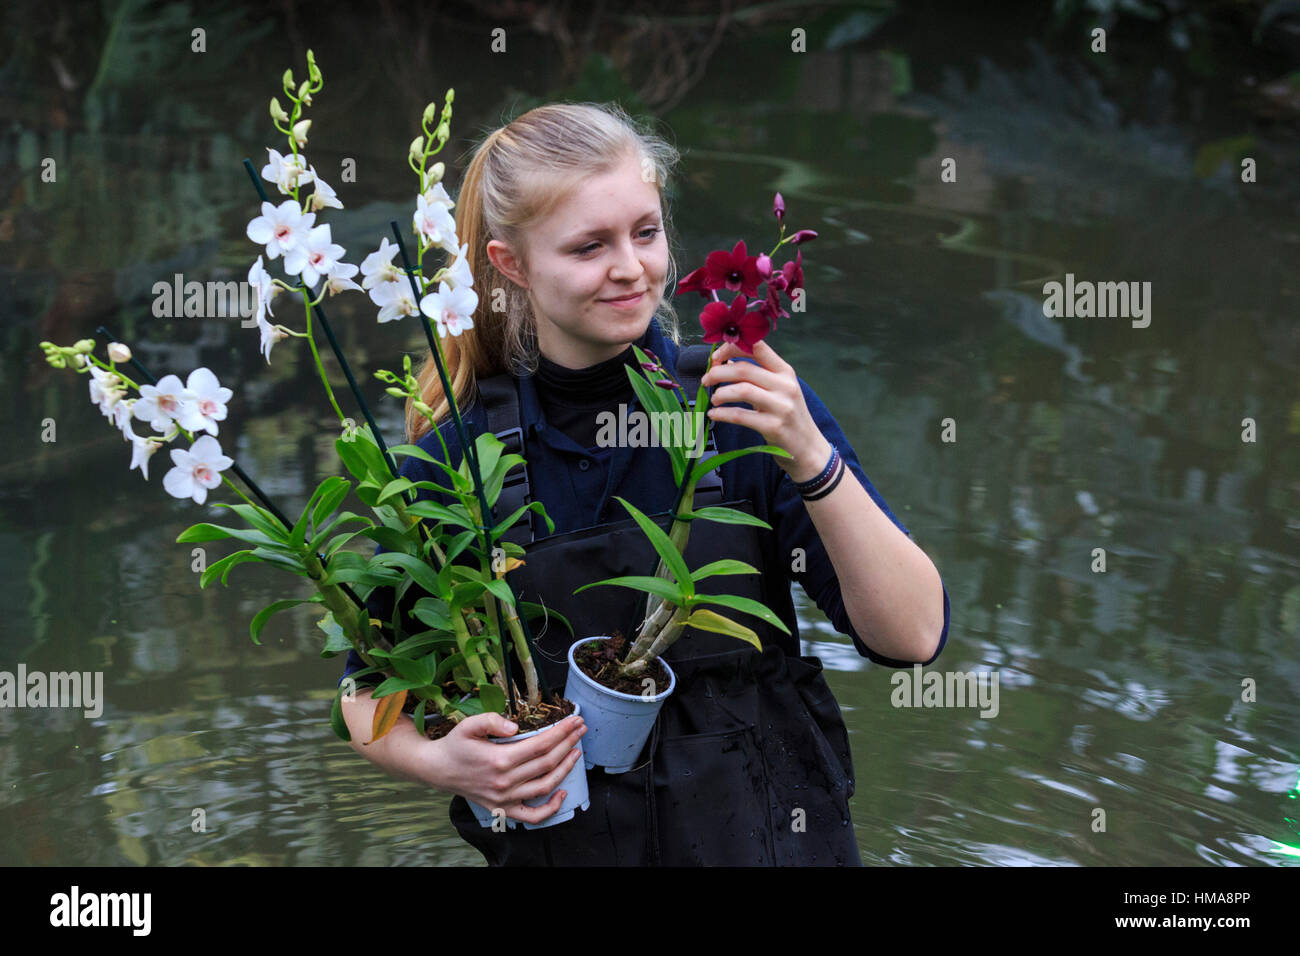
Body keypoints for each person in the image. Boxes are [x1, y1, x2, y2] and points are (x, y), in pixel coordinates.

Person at [338, 102, 950, 866]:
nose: (630, 267)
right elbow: (365, 687)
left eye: (646, 232)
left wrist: (808, 453)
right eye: (589, 246)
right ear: (510, 264)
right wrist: (444, 763)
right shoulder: (456, 464)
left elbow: (914, 637)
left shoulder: (745, 405)